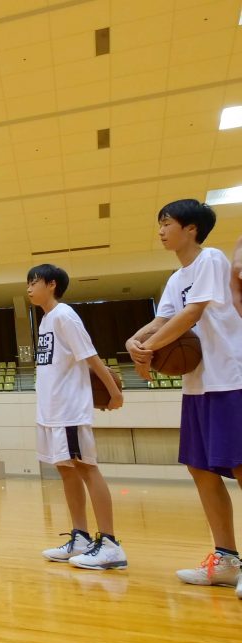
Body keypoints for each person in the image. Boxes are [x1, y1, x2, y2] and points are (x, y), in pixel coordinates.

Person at [127, 200, 242, 593]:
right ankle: (226, 559)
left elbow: (192, 314)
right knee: (201, 469)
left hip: (230, 378)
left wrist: (150, 347)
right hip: (198, 383)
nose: (160, 230)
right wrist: (136, 339)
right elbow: (164, 316)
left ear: (191, 229)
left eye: (166, 223)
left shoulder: (210, 259)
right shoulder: (177, 276)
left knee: (241, 467)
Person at [28, 263, 126, 570]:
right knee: (66, 471)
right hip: (52, 412)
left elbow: (91, 357)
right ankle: (81, 537)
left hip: (69, 410)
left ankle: (110, 543)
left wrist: (115, 393)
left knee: (86, 469)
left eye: (34, 282)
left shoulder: (65, 316)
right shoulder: (45, 321)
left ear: (52, 284)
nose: (29, 287)